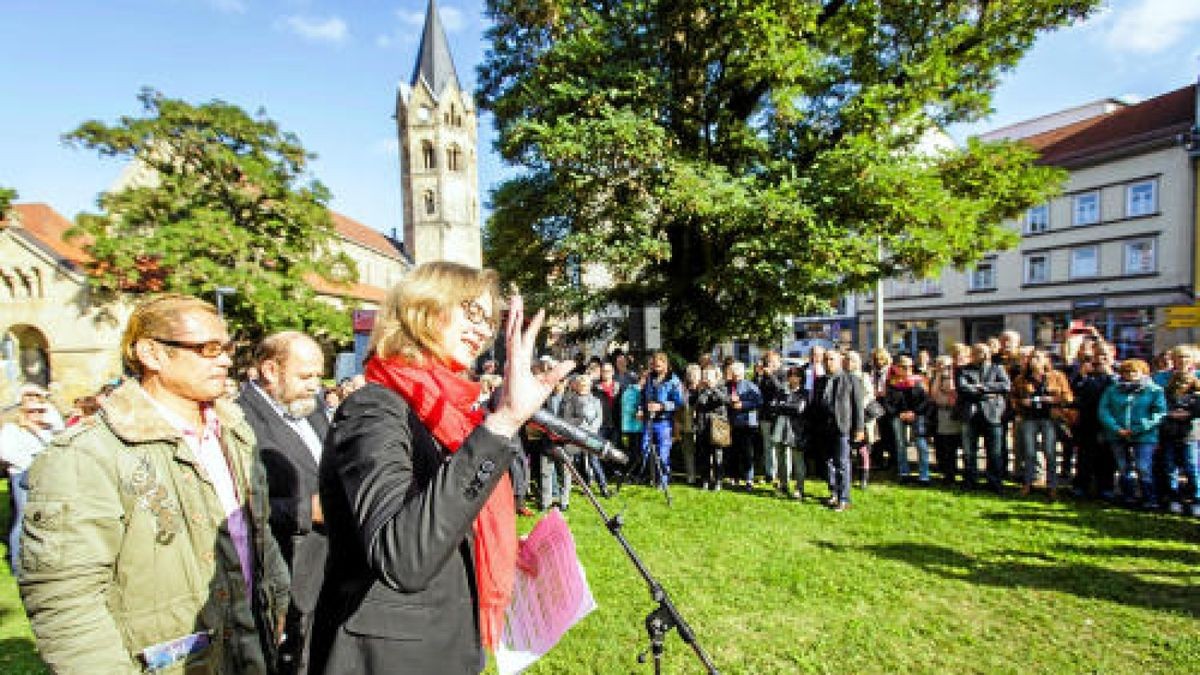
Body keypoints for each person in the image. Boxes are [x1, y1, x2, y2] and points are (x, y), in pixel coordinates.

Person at [309, 262, 574, 674]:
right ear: (422, 309)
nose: (483, 329)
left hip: (450, 643)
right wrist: (502, 424)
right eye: (471, 311)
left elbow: (438, 511)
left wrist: (491, 542)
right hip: (393, 659)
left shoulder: (448, 414)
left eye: (489, 320)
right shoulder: (373, 409)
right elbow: (403, 557)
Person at [20, 294, 290, 673]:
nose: (226, 360)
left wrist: (277, 600)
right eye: (208, 349)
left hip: (247, 653)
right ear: (152, 354)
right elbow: (66, 602)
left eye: (226, 348)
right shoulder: (89, 455)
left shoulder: (233, 433)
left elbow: (257, 535)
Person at [237, 331, 330, 674]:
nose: (315, 386)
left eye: (319, 376)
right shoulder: (240, 422)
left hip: (328, 567)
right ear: (270, 370)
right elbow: (239, 505)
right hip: (287, 573)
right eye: (306, 376)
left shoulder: (313, 408)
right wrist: (307, 511)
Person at [0, 386, 60, 575]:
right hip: (22, 475)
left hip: (45, 475)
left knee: (44, 518)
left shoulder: (46, 429)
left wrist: (37, 430)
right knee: (23, 519)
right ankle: (18, 564)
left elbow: (54, 447)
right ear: (23, 412)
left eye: (41, 410)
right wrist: (30, 462)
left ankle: (41, 560)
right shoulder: (11, 429)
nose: (37, 414)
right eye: (32, 411)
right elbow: (6, 453)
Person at [1098, 358, 1166, 508]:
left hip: (1144, 436)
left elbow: (1159, 412)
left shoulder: (1154, 390)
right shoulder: (1112, 390)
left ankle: (1149, 498)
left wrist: (1138, 428)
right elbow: (1104, 410)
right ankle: (1128, 496)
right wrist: (1116, 428)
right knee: (1123, 467)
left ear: (1143, 373)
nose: (1131, 375)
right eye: (1127, 372)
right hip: (1117, 434)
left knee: (1143, 467)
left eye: (1135, 371)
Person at [1010, 349, 1073, 500]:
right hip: (1029, 418)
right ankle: (1028, 483)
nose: (1034, 361)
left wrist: (1053, 400)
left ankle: (1052, 486)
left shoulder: (1057, 376)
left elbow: (1068, 397)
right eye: (1032, 358)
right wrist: (1021, 403)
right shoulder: (1021, 379)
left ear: (1046, 360)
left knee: (1049, 452)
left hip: (1049, 418)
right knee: (1030, 452)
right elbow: (1013, 398)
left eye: (1038, 358)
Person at [811, 351, 865, 511]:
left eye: (831, 359)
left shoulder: (851, 379)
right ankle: (833, 492)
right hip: (824, 427)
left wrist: (859, 428)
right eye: (825, 360)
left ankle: (844, 498)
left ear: (840, 361)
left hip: (843, 427)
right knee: (828, 462)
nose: (828, 362)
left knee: (842, 462)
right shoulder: (820, 381)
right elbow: (815, 404)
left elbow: (858, 406)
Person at [955, 343, 1011, 493]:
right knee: (969, 451)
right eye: (977, 352)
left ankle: (994, 482)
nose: (981, 355)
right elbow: (963, 388)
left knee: (994, 452)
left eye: (983, 352)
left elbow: (1006, 386)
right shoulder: (962, 370)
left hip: (993, 414)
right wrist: (989, 391)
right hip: (970, 415)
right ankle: (970, 480)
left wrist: (981, 387)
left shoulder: (997, 368)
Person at [1157, 345, 1200, 515]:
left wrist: (1190, 413)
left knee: (1192, 466)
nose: (1182, 361)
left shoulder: (1197, 379)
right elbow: (1155, 400)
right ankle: (1172, 497)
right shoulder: (1161, 378)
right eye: (1178, 357)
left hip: (1191, 431)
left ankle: (1195, 498)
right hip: (1168, 429)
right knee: (1169, 466)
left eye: (1186, 357)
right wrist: (1168, 413)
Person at [639, 351, 686, 487]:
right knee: (645, 449)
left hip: (665, 422)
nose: (655, 368)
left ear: (666, 365)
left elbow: (679, 402)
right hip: (649, 420)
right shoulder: (649, 378)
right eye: (654, 365)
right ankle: (651, 476)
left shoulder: (674, 380)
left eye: (658, 366)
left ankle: (663, 480)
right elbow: (643, 397)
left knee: (662, 453)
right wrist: (641, 409)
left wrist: (661, 406)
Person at [883, 355, 931, 484]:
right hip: (898, 416)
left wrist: (914, 412)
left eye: (911, 366)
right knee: (900, 444)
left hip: (917, 415)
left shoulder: (919, 380)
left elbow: (926, 400)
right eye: (904, 367)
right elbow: (887, 402)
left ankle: (924, 475)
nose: (908, 369)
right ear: (896, 368)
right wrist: (898, 413)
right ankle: (904, 472)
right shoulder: (892, 383)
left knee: (921, 444)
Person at [561, 374, 610, 497]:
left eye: (586, 386)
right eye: (581, 386)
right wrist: (579, 424)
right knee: (580, 461)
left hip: (592, 435)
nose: (583, 388)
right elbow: (567, 418)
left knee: (594, 460)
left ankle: (603, 486)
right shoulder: (571, 401)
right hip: (577, 435)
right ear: (577, 386)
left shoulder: (596, 400)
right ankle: (586, 485)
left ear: (590, 386)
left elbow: (599, 418)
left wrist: (592, 429)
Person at [725, 361, 763, 491]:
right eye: (733, 375)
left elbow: (758, 402)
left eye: (738, 375)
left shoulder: (750, 386)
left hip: (748, 424)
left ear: (742, 374)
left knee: (747, 453)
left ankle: (749, 479)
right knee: (733, 452)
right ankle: (734, 477)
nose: (735, 377)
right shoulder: (728, 385)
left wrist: (743, 405)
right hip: (732, 422)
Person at [771, 366, 808, 499]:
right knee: (781, 458)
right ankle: (783, 485)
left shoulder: (804, 393)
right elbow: (773, 406)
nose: (792, 377)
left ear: (800, 378)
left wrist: (782, 406)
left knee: (798, 460)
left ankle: (799, 488)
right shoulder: (781, 391)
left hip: (796, 430)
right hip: (780, 428)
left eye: (795, 375)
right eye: (790, 375)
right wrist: (784, 406)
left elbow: (798, 409)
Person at [693, 365, 730, 490]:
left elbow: (725, 400)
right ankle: (705, 480)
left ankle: (718, 480)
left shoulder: (722, 387)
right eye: (705, 375)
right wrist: (701, 390)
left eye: (708, 376)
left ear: (715, 377)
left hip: (717, 425)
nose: (706, 378)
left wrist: (713, 388)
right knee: (704, 454)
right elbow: (696, 403)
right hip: (703, 424)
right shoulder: (701, 389)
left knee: (717, 454)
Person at [929, 355, 963, 486]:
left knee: (951, 446)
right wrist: (938, 375)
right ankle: (946, 472)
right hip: (940, 413)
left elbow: (951, 391)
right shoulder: (936, 377)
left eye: (945, 365)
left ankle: (952, 474)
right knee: (942, 445)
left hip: (952, 413)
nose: (942, 367)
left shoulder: (955, 377)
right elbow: (933, 395)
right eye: (939, 364)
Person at [756, 351, 787, 486]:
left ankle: (782, 476)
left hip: (778, 414)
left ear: (778, 361)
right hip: (765, 414)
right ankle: (770, 474)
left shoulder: (783, 374)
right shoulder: (764, 375)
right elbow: (756, 390)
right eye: (768, 361)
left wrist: (772, 376)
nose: (770, 364)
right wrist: (758, 375)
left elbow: (782, 390)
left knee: (779, 447)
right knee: (767, 446)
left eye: (773, 361)